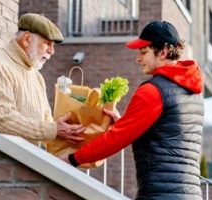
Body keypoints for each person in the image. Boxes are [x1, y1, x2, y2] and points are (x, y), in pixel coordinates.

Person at [62, 21, 204, 200]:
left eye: (144, 52)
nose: (138, 58)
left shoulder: (153, 91)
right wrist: (126, 121)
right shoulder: (193, 93)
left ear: (163, 52)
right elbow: (169, 136)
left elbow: (115, 139)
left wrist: (71, 160)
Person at [0, 13, 85, 146]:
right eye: (47, 43)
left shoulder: (37, 77)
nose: (52, 51)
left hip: (20, 165)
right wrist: (54, 130)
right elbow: (5, 120)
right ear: (27, 39)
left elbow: (47, 127)